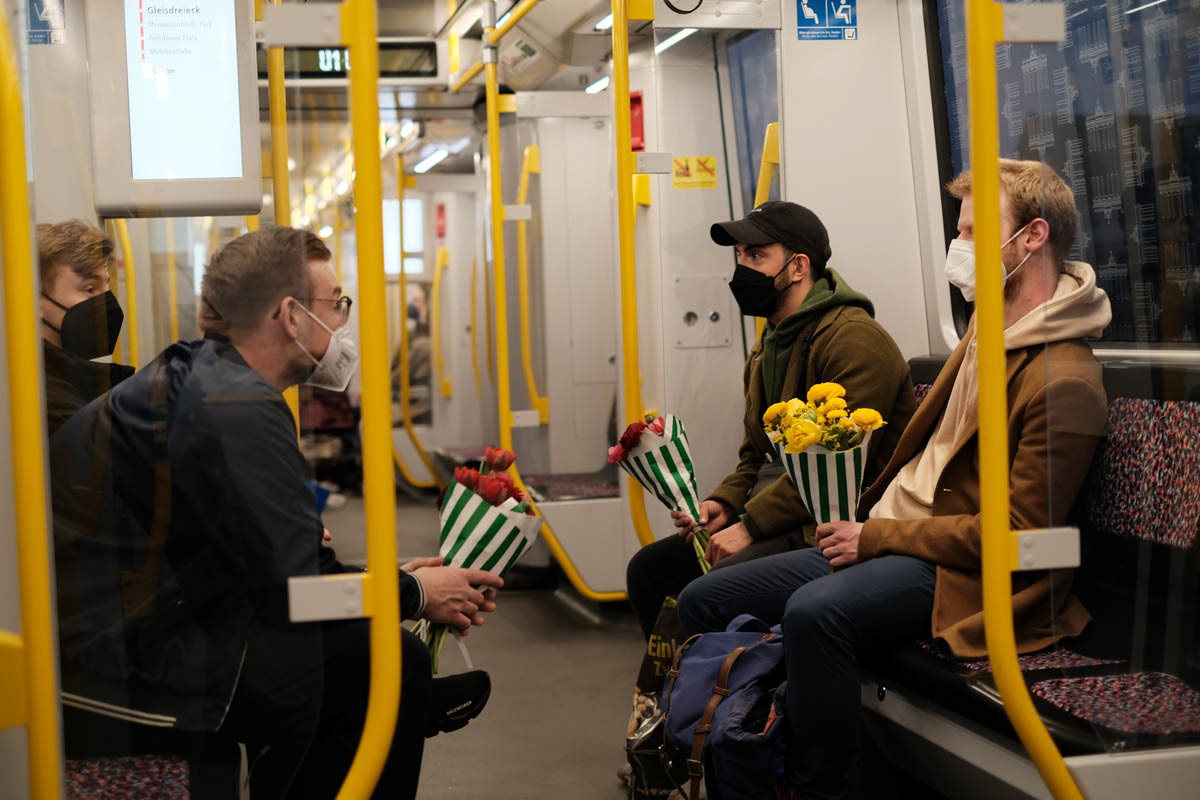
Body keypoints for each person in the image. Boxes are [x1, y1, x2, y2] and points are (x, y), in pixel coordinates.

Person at [677, 159, 1111, 799]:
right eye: (958, 231)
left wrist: (875, 539)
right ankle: (731, 750)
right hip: (889, 531)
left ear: (1033, 238)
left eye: (971, 232)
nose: (957, 247)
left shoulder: (1063, 380)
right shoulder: (984, 338)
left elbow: (1020, 534)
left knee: (813, 613)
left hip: (953, 568)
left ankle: (815, 788)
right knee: (703, 598)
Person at [51, 227, 499, 800]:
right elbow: (299, 592)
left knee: (371, 654)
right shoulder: (236, 407)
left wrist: (388, 585)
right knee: (386, 659)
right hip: (120, 657)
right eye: (335, 303)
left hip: (142, 620)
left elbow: (278, 566)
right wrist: (413, 594)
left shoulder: (208, 379)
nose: (342, 322)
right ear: (291, 315)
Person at [624, 201, 916, 639]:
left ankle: (734, 700)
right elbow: (755, 458)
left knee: (706, 591)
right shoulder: (769, 346)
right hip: (785, 514)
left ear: (798, 267)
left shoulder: (854, 340)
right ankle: (678, 699)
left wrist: (750, 526)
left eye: (756, 256)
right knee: (650, 569)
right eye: (740, 255)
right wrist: (724, 504)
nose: (742, 268)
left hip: (837, 520)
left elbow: (833, 468)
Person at [37, 219, 133, 435]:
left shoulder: (72, 378)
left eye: (106, 285)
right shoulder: (50, 402)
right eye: (90, 289)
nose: (106, 300)